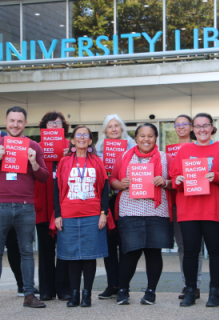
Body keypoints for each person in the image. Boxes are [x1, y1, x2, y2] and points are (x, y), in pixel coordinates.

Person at [0, 106, 49, 311]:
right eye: (12, 121)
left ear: (25, 123)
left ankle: (29, 295)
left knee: (26, 251)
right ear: (6, 122)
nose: (15, 124)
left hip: (25, 206)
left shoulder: (34, 146)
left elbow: (44, 176)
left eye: (20, 121)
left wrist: (33, 162)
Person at [170, 113, 219, 308]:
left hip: (214, 208)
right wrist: (179, 181)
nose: (201, 129)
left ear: (211, 128)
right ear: (192, 129)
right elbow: (175, 178)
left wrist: (215, 176)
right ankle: (191, 290)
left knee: (216, 251)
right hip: (189, 209)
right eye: (198, 126)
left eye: (205, 125)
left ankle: (215, 292)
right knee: (191, 252)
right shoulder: (184, 151)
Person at [110, 123, 174, 306]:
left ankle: (150, 292)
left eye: (150, 136)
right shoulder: (123, 157)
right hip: (130, 210)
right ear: (136, 138)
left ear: (156, 138)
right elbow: (112, 179)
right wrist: (120, 185)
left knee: (154, 252)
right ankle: (123, 290)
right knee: (130, 252)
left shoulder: (165, 158)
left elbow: (175, 182)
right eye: (142, 136)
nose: (146, 139)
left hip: (157, 211)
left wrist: (165, 182)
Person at [54, 125, 110, 308]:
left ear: (90, 140)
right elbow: (57, 190)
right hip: (68, 215)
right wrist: (58, 215)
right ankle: (74, 295)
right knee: (72, 256)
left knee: (89, 256)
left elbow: (104, 190)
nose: (82, 138)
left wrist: (104, 213)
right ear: (72, 140)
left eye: (86, 135)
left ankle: (87, 295)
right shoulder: (63, 162)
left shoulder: (97, 162)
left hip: (92, 215)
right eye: (78, 135)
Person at [94, 114, 136, 299]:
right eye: (110, 126)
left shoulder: (133, 148)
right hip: (107, 201)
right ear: (105, 131)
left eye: (117, 126)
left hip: (127, 199)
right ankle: (113, 284)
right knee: (109, 244)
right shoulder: (98, 150)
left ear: (122, 129)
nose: (113, 129)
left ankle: (124, 285)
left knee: (125, 244)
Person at [34, 111, 72, 301]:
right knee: (46, 249)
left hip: (66, 205)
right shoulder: (37, 148)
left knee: (65, 248)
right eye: (50, 123)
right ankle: (46, 289)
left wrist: (70, 156)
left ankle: (64, 288)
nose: (54, 126)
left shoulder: (71, 147)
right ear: (44, 127)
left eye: (58, 123)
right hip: (44, 203)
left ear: (64, 127)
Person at [171, 114, 203, 300]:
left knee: (194, 247)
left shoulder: (200, 147)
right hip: (176, 202)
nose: (181, 127)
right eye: (177, 124)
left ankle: (195, 285)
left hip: (196, 201)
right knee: (183, 246)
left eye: (185, 124)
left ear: (192, 127)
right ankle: (187, 284)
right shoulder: (168, 151)